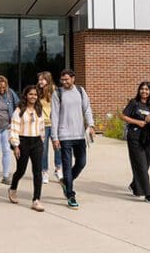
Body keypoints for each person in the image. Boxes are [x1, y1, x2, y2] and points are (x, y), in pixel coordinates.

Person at [51, 69, 95, 209]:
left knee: (82, 162)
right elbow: (55, 116)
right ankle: (70, 195)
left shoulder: (81, 91)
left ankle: (66, 181)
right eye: (62, 80)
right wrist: (55, 137)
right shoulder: (57, 93)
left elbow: (87, 109)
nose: (64, 82)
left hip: (80, 134)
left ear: (73, 78)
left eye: (67, 79)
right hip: (64, 135)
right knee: (67, 165)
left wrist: (91, 125)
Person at [120, 81, 150, 204]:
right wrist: (137, 122)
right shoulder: (134, 103)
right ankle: (148, 195)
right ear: (139, 90)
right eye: (142, 89)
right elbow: (123, 116)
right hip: (135, 137)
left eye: (147, 90)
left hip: (147, 139)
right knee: (141, 166)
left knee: (145, 165)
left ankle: (134, 185)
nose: (144, 91)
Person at [7, 85, 45, 212]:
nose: (33, 97)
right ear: (25, 96)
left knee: (37, 171)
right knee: (21, 170)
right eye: (30, 94)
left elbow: (42, 126)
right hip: (23, 142)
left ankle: (36, 200)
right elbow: (14, 128)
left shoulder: (39, 109)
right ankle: (13, 188)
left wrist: (42, 139)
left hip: (37, 142)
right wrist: (15, 145)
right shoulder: (19, 110)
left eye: (35, 94)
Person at [36, 71, 63, 183]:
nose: (40, 82)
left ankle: (58, 169)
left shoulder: (55, 91)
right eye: (39, 79)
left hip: (54, 124)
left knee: (58, 147)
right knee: (44, 149)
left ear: (47, 79)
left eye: (42, 79)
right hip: (42, 125)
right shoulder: (37, 91)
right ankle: (44, 171)